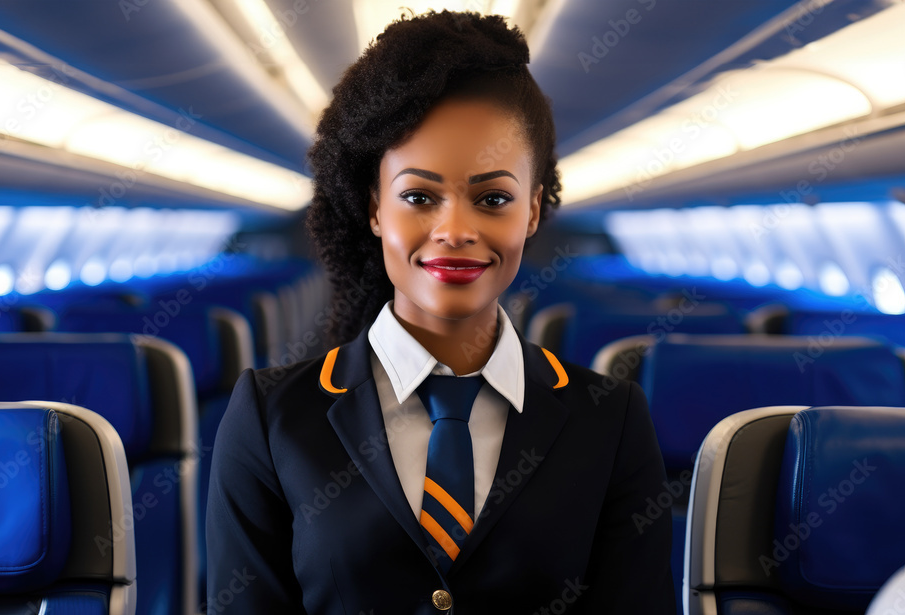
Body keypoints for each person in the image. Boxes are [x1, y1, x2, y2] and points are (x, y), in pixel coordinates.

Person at [206, 10, 674, 614]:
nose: (455, 230)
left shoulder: (610, 421)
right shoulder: (271, 421)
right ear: (375, 208)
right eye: (420, 197)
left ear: (532, 211)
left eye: (493, 198)